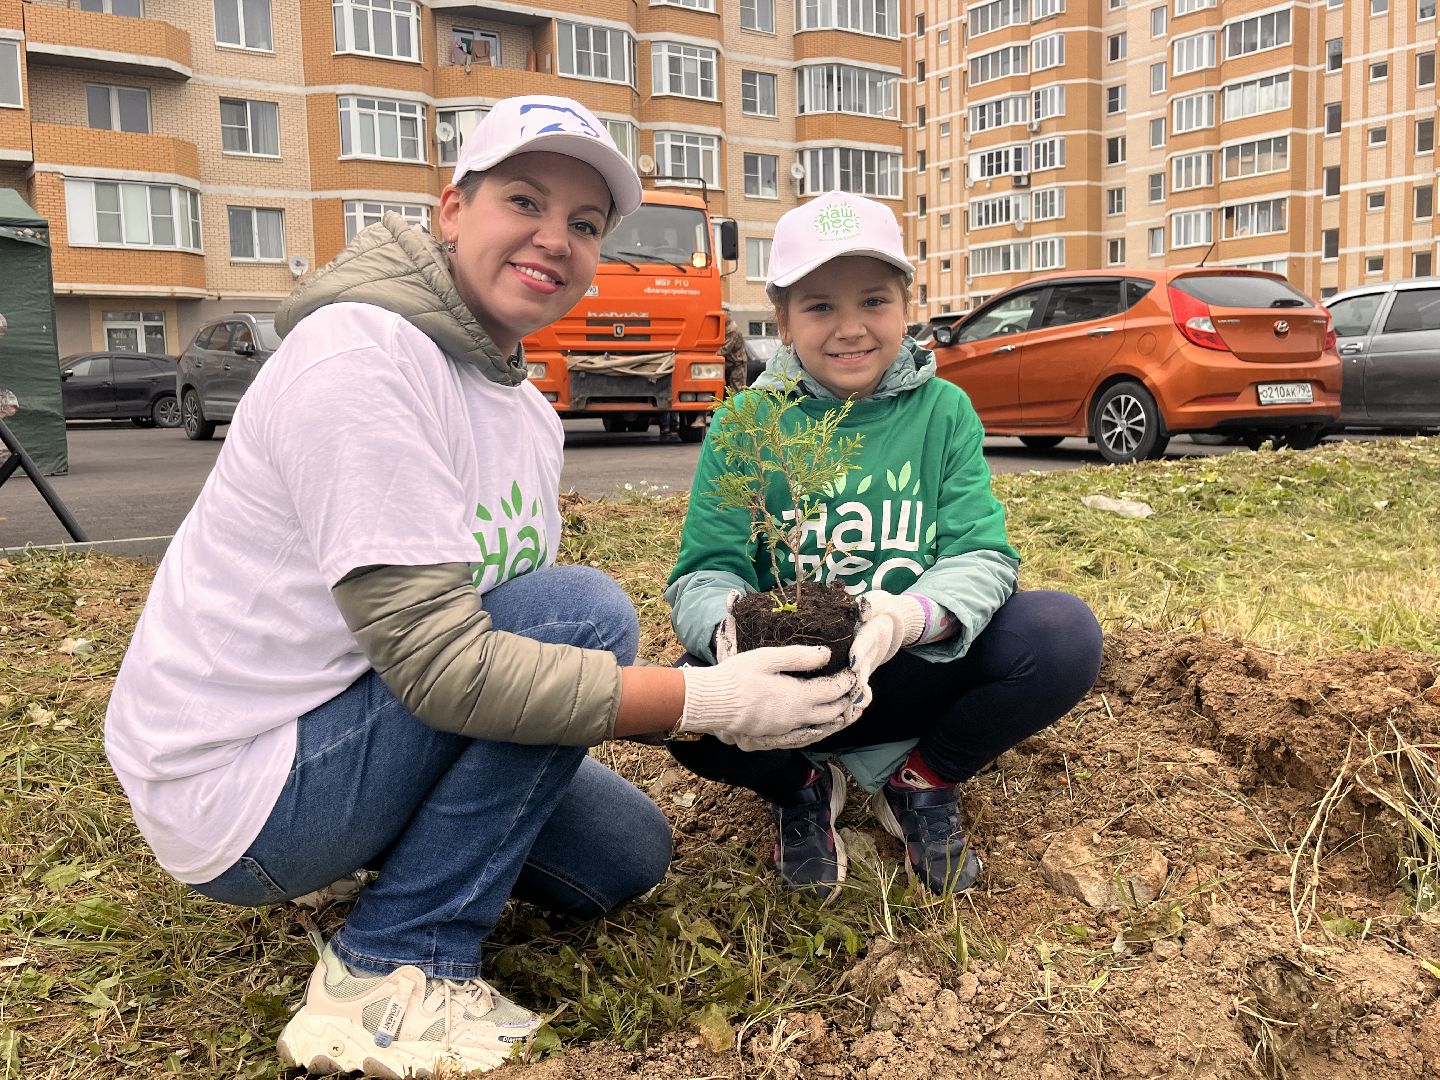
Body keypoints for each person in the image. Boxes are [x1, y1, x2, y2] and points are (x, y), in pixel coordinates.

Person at [103, 96, 862, 1080]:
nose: (556, 238)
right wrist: (707, 702)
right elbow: (453, 668)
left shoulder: (522, 412)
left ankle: (395, 845)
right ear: (452, 209)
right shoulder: (362, 361)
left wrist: (703, 692)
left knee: (627, 858)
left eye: (586, 225)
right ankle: (390, 970)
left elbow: (486, 652)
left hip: (353, 725)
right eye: (523, 200)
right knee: (579, 611)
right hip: (236, 786)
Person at [664, 191, 1103, 900]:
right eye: (819, 307)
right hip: (788, 682)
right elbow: (706, 570)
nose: (850, 329)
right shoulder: (748, 425)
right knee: (686, 700)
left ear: (906, 306)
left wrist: (902, 620)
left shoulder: (944, 412)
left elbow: (981, 557)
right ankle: (802, 786)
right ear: (781, 320)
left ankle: (922, 781)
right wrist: (731, 635)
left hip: (907, 666)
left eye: (873, 301)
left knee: (1062, 635)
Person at [721, 307, 748, 391]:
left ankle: (738, 404)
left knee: (737, 389)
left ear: (728, 315)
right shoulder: (727, 327)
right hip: (731, 363)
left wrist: (711, 355)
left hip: (737, 364)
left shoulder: (732, 329)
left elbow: (725, 349)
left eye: (723, 313)